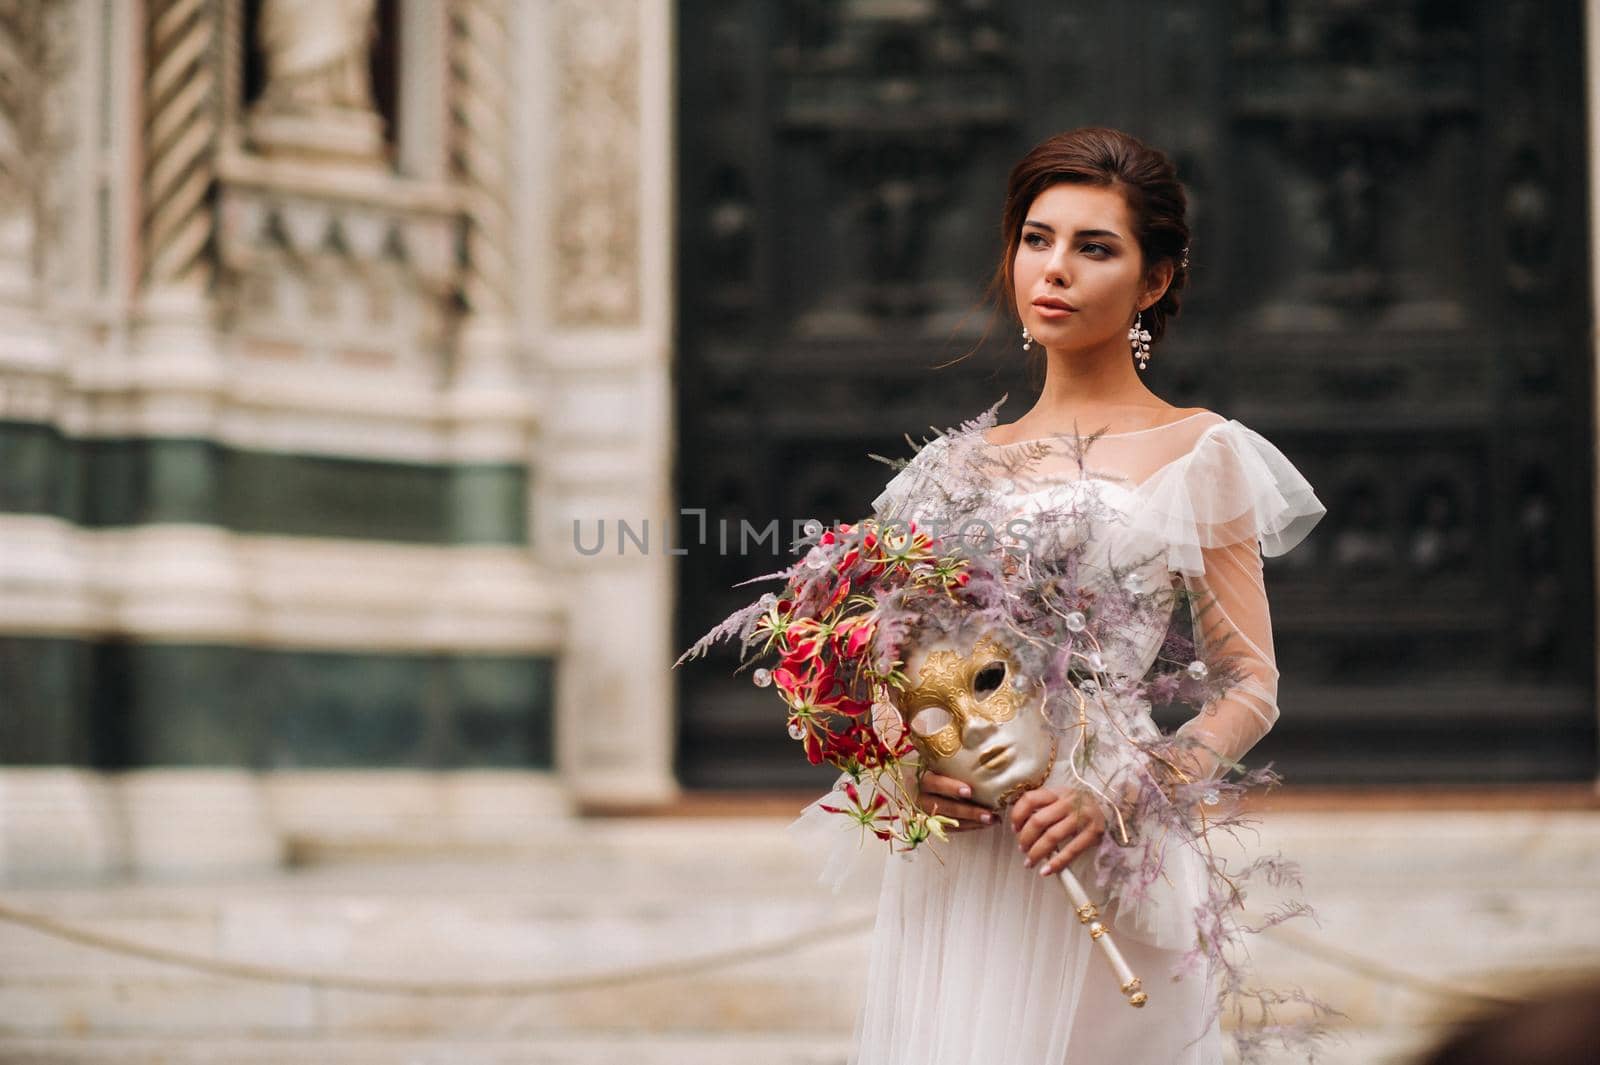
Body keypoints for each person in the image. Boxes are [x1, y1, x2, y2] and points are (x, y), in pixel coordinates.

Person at [787, 127, 1327, 1064]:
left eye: (1095, 247)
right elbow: (886, 664)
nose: (1057, 269)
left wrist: (1118, 793)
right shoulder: (943, 469)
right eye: (1037, 239)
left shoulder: (1201, 452)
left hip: (1108, 851)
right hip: (968, 864)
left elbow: (1249, 685)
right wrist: (907, 773)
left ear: (1153, 282)